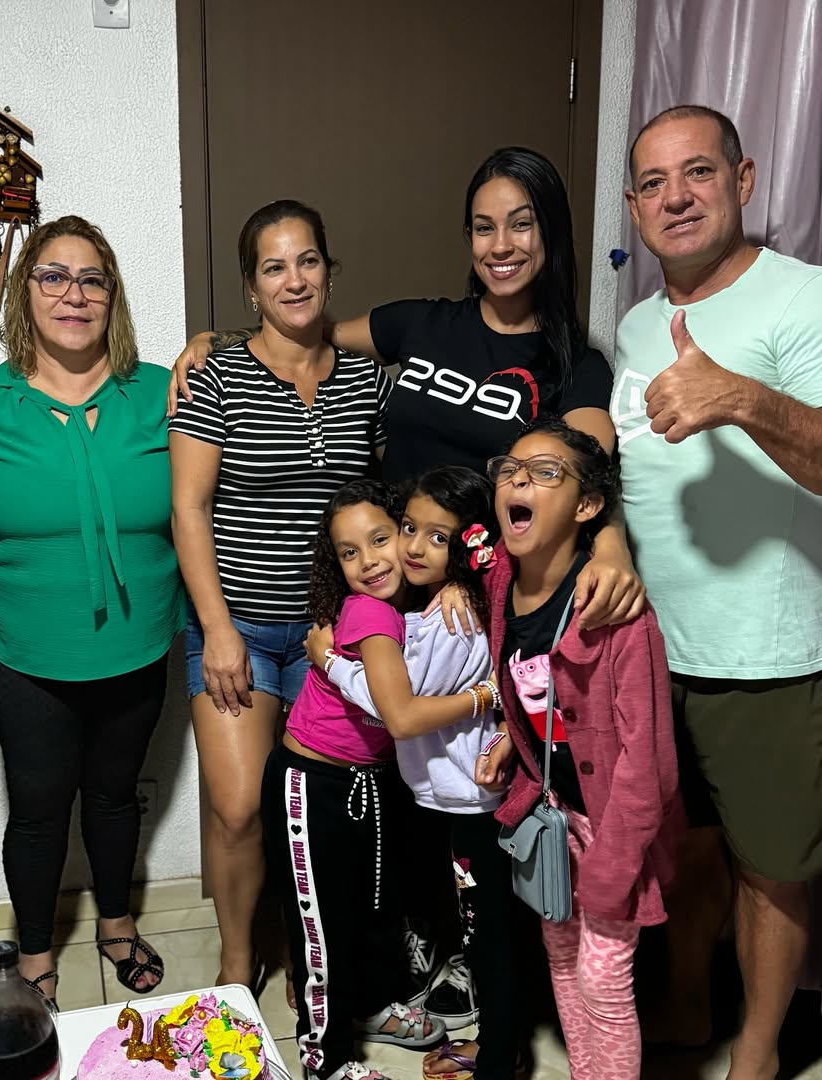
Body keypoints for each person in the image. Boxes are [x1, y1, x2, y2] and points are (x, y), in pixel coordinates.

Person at [170, 148, 645, 1011]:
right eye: (483, 224)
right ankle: (266, 959)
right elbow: (302, 331)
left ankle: (437, 964)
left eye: (522, 221)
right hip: (329, 613)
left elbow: (585, 472)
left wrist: (608, 544)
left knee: (427, 802)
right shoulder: (415, 325)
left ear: (553, 234)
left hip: (451, 619)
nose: (501, 242)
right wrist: (212, 342)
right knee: (256, 801)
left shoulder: (573, 361)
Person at [611, 104, 822, 1080]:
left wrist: (738, 395)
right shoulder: (635, 323)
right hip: (651, 647)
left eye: (697, 173)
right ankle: (690, 1006)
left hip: (763, 655)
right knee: (686, 848)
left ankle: (759, 1058)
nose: (675, 197)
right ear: (632, 206)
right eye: (653, 183)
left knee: (771, 868)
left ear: (742, 182)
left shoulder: (802, 297)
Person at [0, 215, 183, 1004]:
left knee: (118, 795)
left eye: (92, 279)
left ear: (112, 296)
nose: (73, 294)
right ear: (26, 292)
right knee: (40, 809)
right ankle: (39, 954)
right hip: (28, 649)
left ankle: (116, 925)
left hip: (142, 639)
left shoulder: (161, 391)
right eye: (53, 276)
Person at [169, 200, 391, 991]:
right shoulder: (215, 373)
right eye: (273, 266)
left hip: (334, 637)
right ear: (250, 287)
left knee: (332, 812)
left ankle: (316, 954)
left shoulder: (367, 378)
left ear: (329, 271)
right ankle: (237, 959)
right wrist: (217, 627)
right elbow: (188, 508)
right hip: (239, 631)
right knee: (238, 808)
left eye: (307, 261)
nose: (293, 279)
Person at [478, 419, 684, 1080]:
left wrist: (611, 867)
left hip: (613, 831)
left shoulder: (617, 613)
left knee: (604, 987)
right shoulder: (501, 582)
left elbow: (646, 766)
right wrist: (514, 749)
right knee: (561, 961)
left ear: (589, 507)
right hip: (551, 820)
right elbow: (526, 695)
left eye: (545, 472)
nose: (519, 479)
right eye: (511, 468)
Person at [304, 466, 518, 1080]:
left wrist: (330, 663)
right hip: (459, 796)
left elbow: (394, 705)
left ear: (471, 545)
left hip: (476, 801)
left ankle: (500, 1059)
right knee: (479, 929)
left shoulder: (453, 617)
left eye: (439, 537)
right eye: (409, 529)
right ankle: (494, 1044)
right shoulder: (442, 602)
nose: (415, 548)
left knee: (490, 937)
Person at [262, 478, 470, 1080]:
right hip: (312, 785)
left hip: (367, 781)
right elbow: (397, 714)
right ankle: (323, 1061)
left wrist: (456, 579)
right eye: (348, 552)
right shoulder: (371, 613)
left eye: (380, 538)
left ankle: (375, 1006)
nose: (369, 560)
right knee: (321, 927)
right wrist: (483, 700)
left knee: (374, 905)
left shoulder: (415, 602)